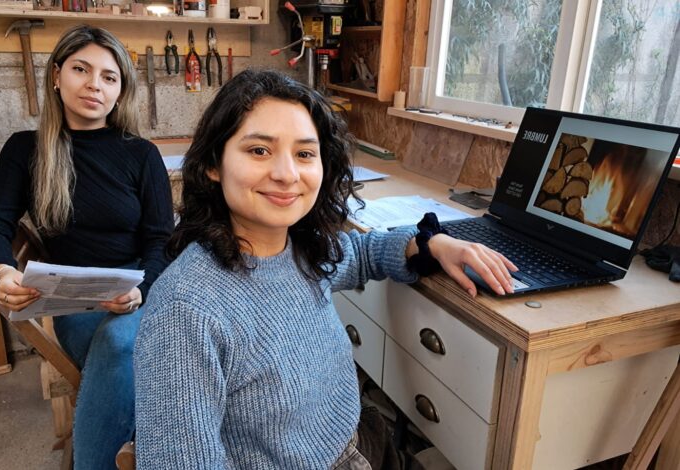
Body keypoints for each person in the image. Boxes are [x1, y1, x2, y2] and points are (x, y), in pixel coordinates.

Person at [133, 69, 516, 469]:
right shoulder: (185, 312)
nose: (286, 175)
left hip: (361, 439)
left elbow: (362, 252)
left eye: (304, 154)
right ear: (214, 164)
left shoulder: (297, 249)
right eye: (259, 150)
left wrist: (431, 243)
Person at [0, 25, 174, 469]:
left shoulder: (141, 154)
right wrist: (4, 271)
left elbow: (162, 240)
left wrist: (142, 289)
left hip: (139, 290)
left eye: (109, 76)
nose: (94, 85)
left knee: (124, 341)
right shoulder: (25, 150)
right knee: (125, 351)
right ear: (57, 75)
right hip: (74, 304)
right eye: (82, 69)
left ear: (121, 91)